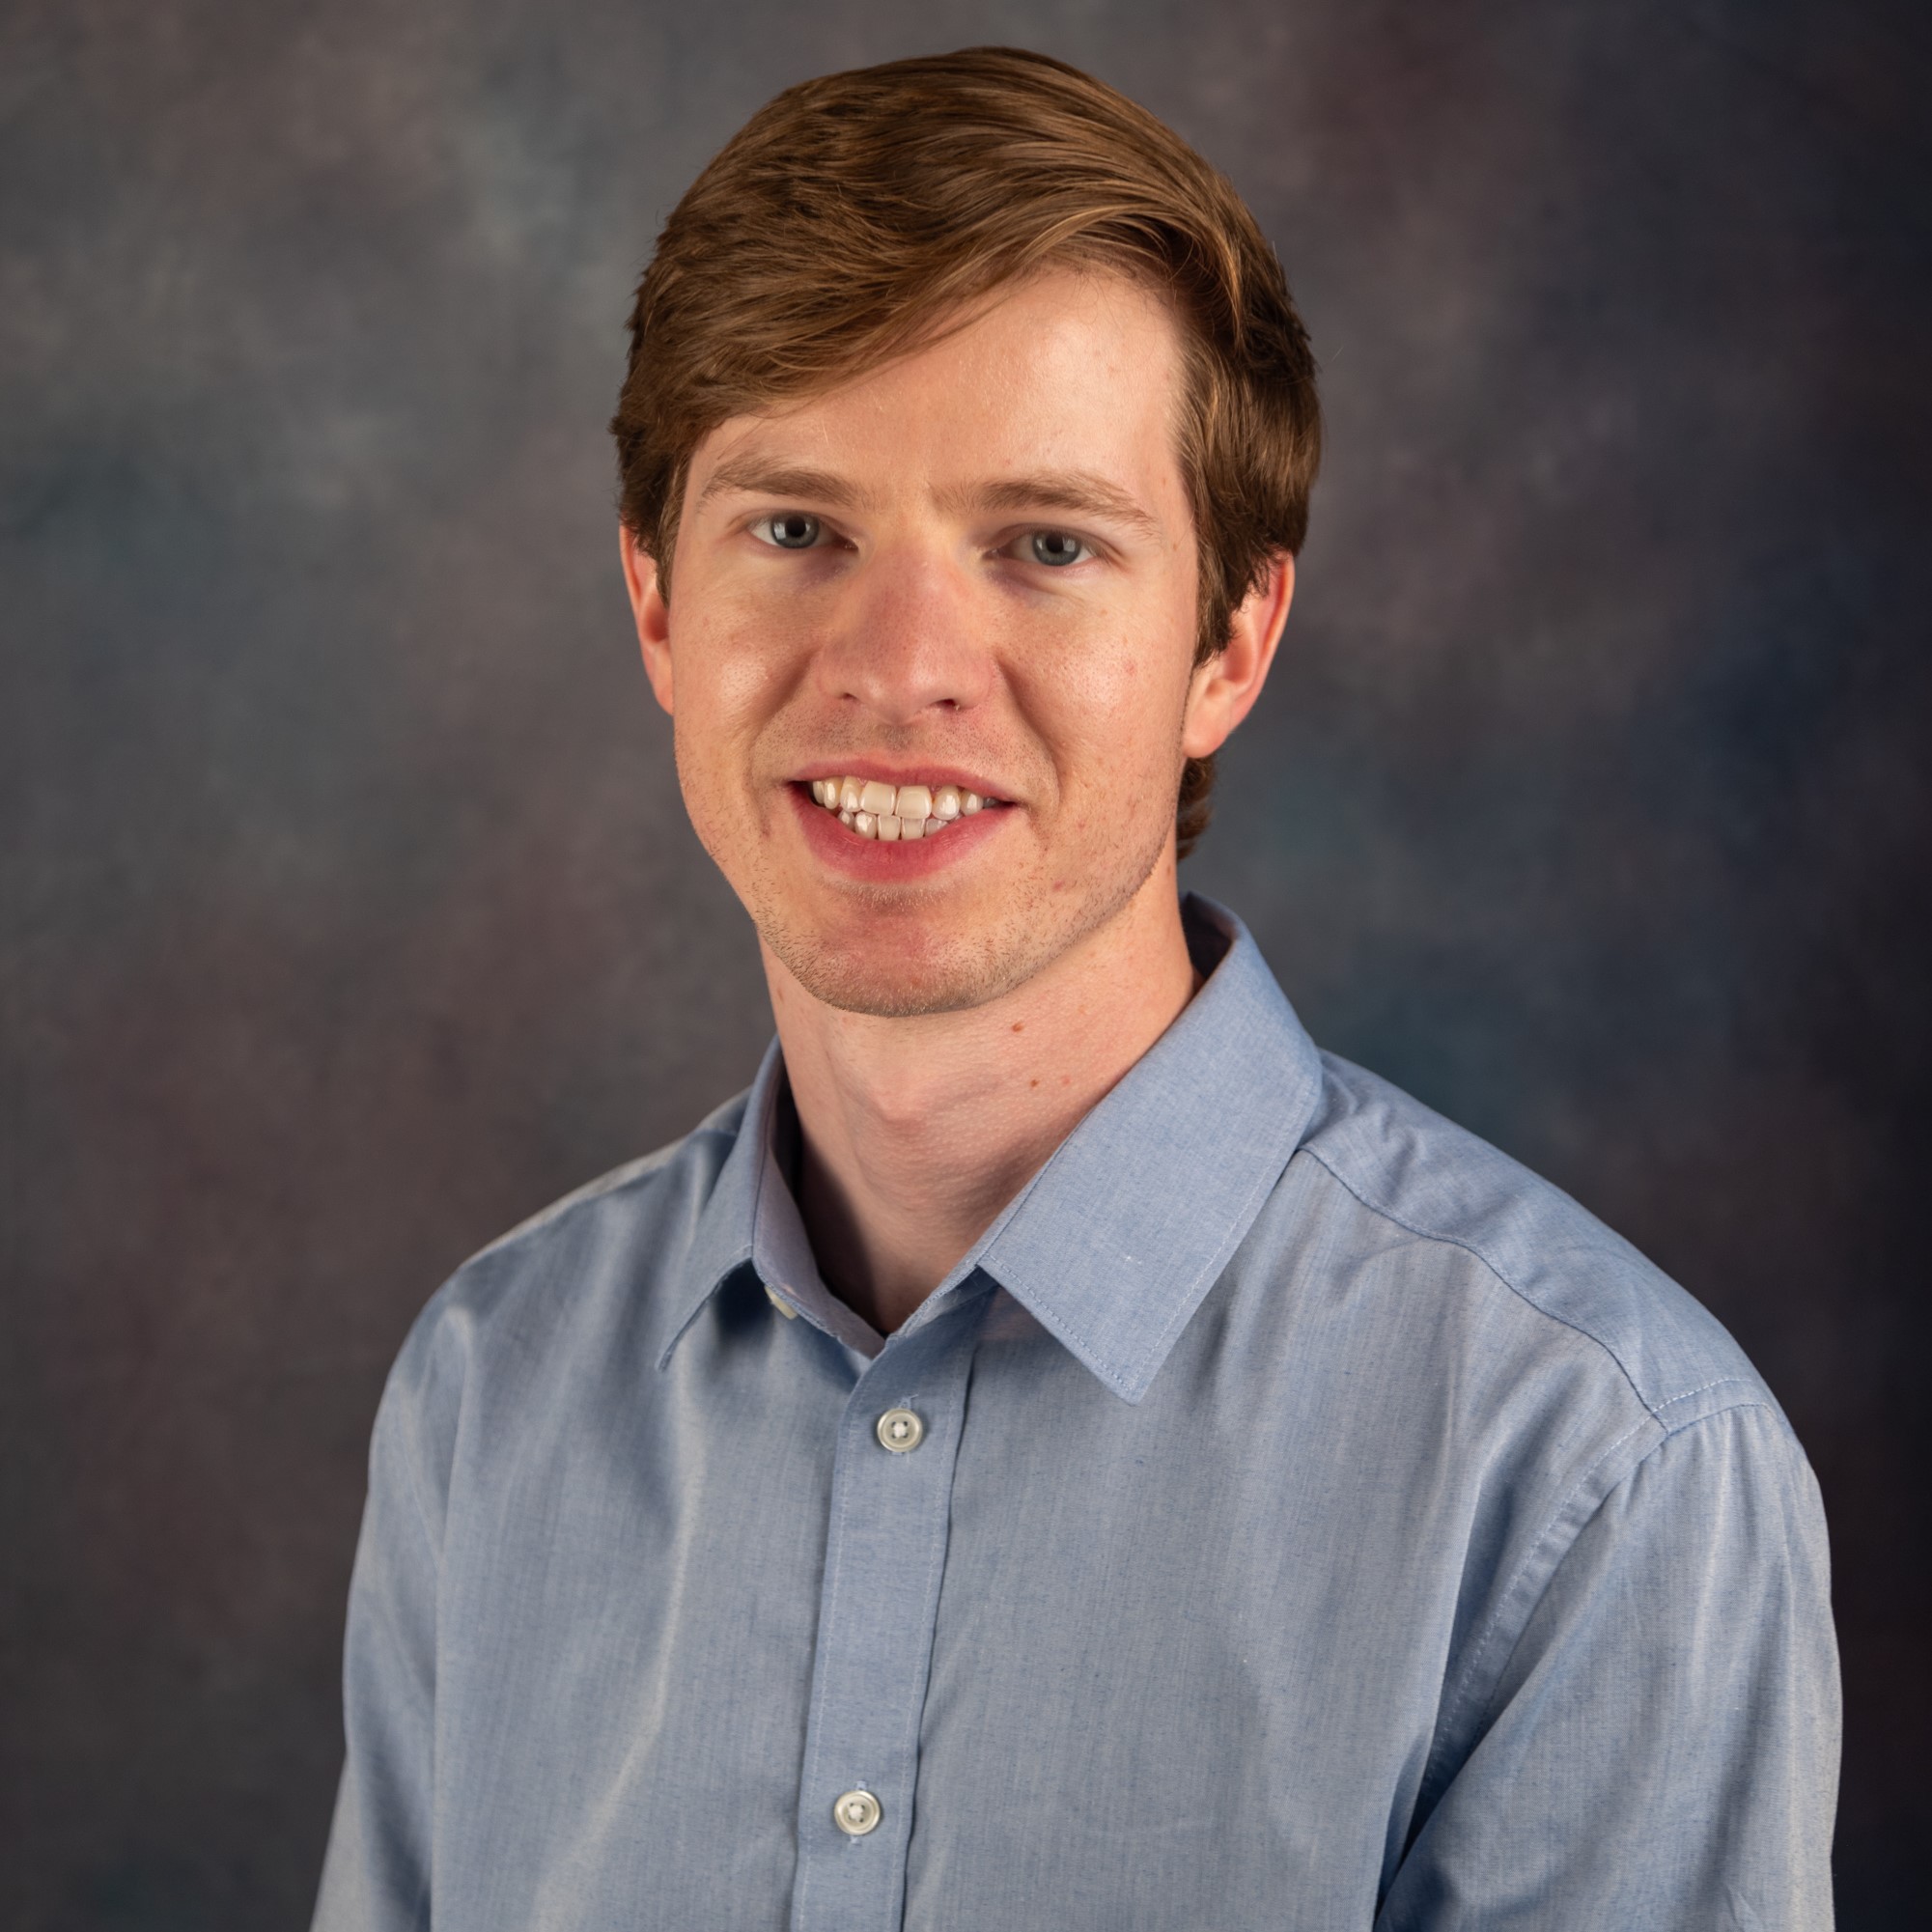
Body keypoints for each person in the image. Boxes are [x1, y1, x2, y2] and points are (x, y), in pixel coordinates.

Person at [312, 46, 1838, 1932]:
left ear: (1229, 642)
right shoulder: (492, 1389)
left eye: (1044, 545)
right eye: (795, 530)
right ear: (655, 606)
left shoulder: (1589, 1472)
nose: (899, 668)